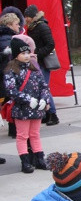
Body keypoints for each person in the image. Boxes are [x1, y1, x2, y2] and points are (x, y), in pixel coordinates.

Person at [3, 38, 50, 173]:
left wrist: (44, 99)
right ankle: (25, 162)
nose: (26, 56)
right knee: (22, 136)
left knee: (35, 134)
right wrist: (28, 99)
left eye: (28, 53)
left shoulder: (34, 68)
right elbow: (11, 90)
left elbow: (44, 86)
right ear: (15, 55)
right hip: (22, 109)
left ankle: (40, 159)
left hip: (36, 108)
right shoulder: (10, 70)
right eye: (23, 53)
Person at [23, 5, 59, 126]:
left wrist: (37, 54)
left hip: (42, 62)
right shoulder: (32, 27)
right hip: (36, 62)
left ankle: (53, 114)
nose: (26, 19)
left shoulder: (42, 26)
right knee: (39, 88)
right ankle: (46, 114)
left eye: (27, 16)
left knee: (43, 88)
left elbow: (50, 44)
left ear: (33, 16)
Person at [0, 12, 21, 143]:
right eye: (16, 24)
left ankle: (13, 129)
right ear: (9, 25)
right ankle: (14, 129)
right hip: (6, 77)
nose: (19, 26)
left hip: (4, 77)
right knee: (12, 102)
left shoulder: (6, 37)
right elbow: (9, 61)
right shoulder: (7, 40)